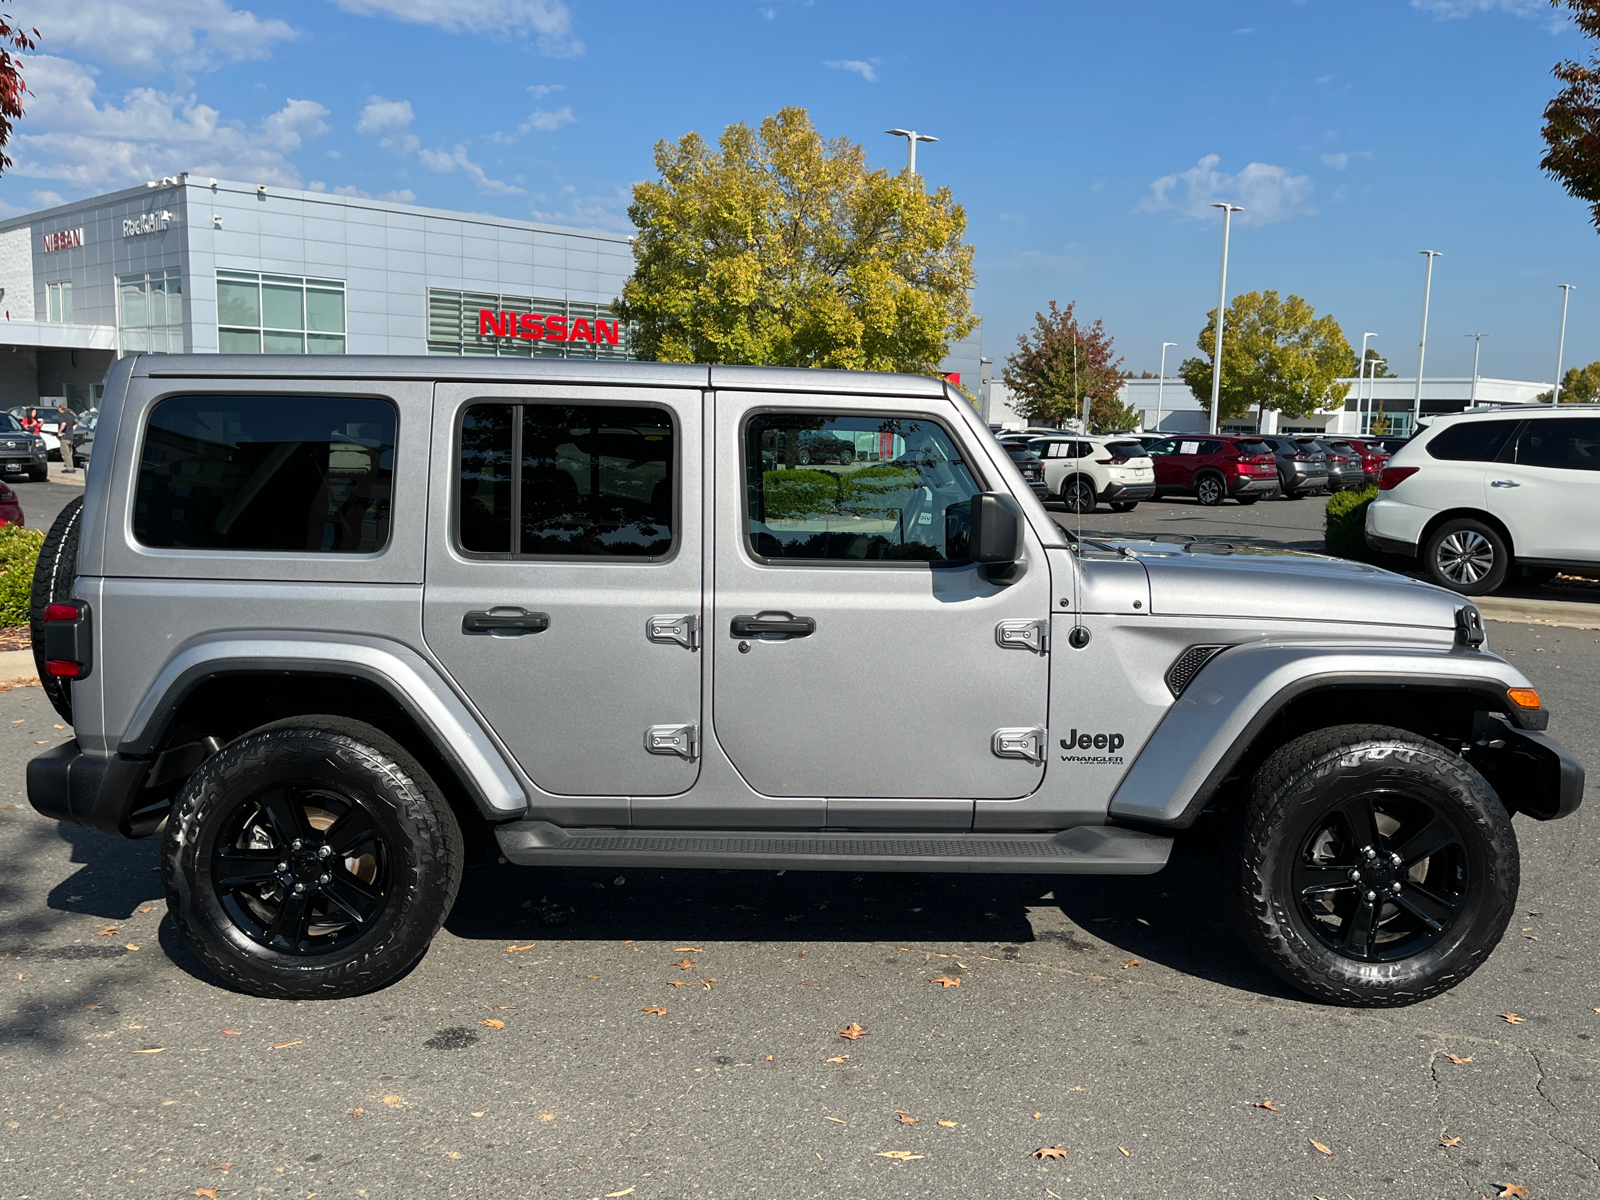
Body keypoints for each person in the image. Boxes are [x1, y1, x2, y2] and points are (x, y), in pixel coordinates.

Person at [56, 405, 76, 473]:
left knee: (65, 453)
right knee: (70, 453)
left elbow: (63, 423)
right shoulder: (69, 415)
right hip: (71, 437)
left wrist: (60, 431)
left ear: (60, 408)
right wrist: (71, 430)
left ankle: (69, 468)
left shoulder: (62, 415)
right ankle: (71, 466)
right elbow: (75, 424)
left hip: (65, 437)